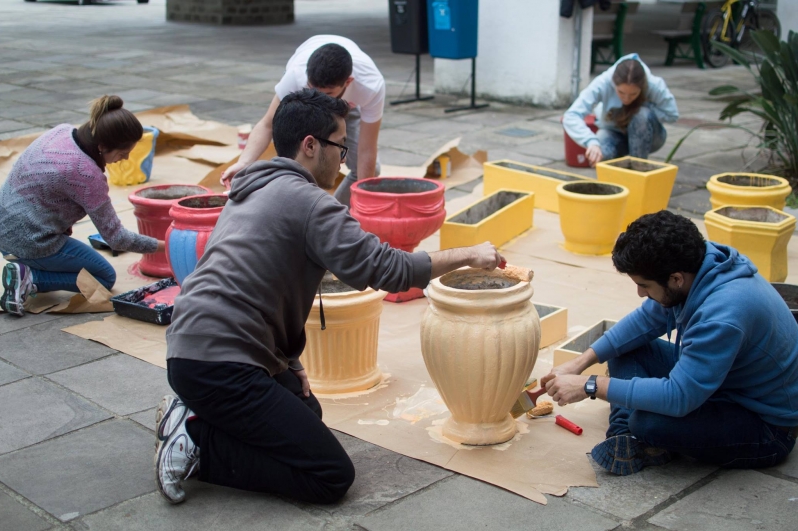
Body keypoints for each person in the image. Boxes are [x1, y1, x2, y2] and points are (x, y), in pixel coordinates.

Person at [156, 88, 504, 505]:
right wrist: (469, 255)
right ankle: (196, 443)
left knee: (307, 412)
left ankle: (197, 412)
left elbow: (258, 285)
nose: (344, 161)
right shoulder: (310, 203)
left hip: (191, 347)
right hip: (218, 363)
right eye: (341, 148)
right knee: (330, 475)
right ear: (309, 146)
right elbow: (388, 269)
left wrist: (288, 361)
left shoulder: (250, 187)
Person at [542, 211, 798, 475]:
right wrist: (578, 364)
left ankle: (633, 433)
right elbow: (643, 322)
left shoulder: (722, 314)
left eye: (644, 285)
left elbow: (679, 397)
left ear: (676, 279)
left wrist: (591, 385)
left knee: (649, 423)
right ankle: (625, 436)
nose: (640, 293)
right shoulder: (700, 265)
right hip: (722, 385)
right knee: (626, 348)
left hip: (765, 425)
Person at [0, 95, 164, 317]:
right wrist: (167, 245)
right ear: (102, 146)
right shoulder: (87, 174)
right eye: (122, 154)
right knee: (103, 278)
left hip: (3, 223)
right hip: (30, 240)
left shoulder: (61, 131)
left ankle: (25, 268)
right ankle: (30, 277)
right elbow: (116, 238)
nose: (123, 160)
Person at [221, 35, 385, 208]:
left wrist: (365, 204)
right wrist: (244, 163)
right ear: (307, 78)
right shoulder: (296, 76)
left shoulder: (370, 86)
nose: (319, 96)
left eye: (327, 93)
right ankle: (295, 212)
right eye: (313, 88)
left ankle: (330, 214)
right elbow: (268, 123)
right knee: (302, 164)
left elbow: (367, 148)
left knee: (370, 170)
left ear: (348, 82)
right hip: (305, 106)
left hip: (346, 106)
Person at [563, 53, 679, 167]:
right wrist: (591, 142)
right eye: (621, 92)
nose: (626, 99)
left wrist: (642, 106)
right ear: (614, 84)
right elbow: (571, 115)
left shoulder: (654, 84)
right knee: (601, 152)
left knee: (641, 115)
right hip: (614, 133)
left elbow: (672, 114)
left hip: (649, 136)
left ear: (642, 87)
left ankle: (638, 170)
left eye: (633, 94)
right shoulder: (603, 82)